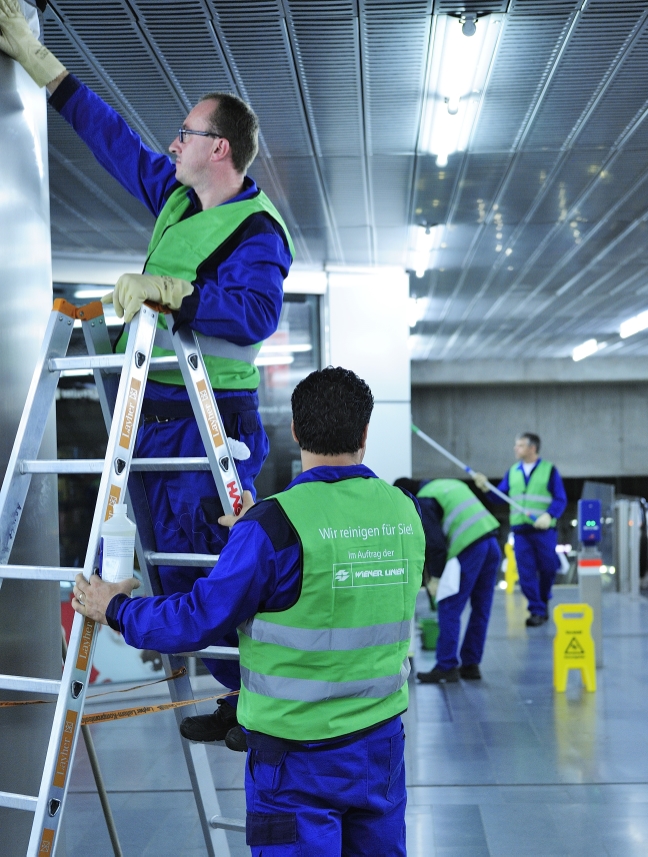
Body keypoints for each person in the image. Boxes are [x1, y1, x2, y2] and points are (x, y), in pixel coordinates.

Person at [0, 0, 294, 735]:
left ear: (220, 147)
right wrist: (45, 68)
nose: (173, 141)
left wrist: (173, 292)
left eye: (187, 132)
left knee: (213, 558)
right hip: (159, 413)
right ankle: (230, 690)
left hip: (214, 416)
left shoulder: (257, 229)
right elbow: (113, 140)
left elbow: (256, 314)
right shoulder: (176, 197)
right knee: (171, 562)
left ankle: (250, 697)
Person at [72, 367, 426, 856]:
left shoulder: (274, 526)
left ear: (297, 431)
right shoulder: (405, 512)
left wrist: (115, 608)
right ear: (365, 432)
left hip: (295, 759)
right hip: (379, 746)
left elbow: (200, 617)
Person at [395, 477, 501, 683]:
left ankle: (447, 665)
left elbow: (436, 545)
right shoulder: (447, 485)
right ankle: (471, 665)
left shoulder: (425, 499)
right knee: (481, 608)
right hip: (491, 543)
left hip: (470, 547)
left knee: (449, 605)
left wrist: (435, 578)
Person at [472, 432, 567, 626]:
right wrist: (486, 488)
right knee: (526, 573)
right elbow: (499, 497)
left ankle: (543, 598)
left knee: (549, 568)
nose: (516, 448)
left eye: (520, 445)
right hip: (521, 532)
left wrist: (549, 515)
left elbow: (560, 498)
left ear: (532, 448)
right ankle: (536, 610)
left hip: (544, 531)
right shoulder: (513, 471)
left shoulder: (549, 471)